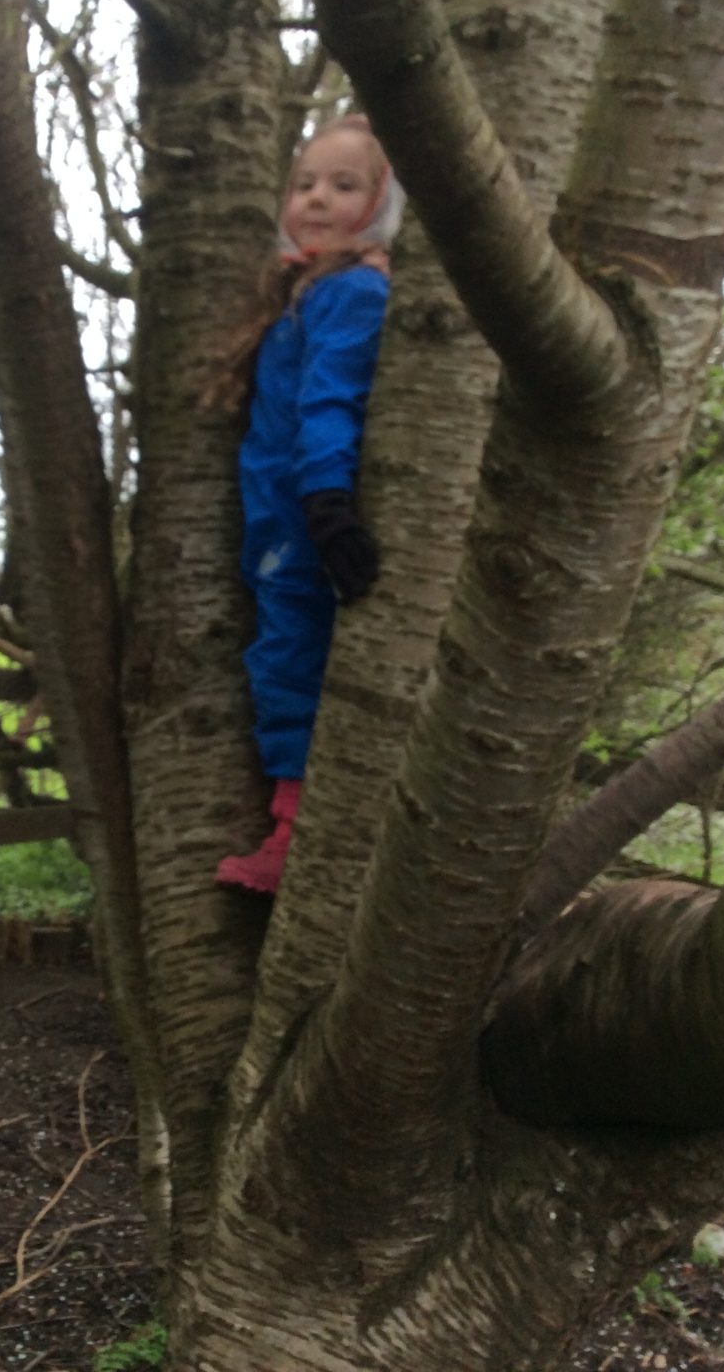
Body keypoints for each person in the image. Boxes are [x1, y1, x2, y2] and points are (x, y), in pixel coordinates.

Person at [213, 115, 405, 894]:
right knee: (287, 658)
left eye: (344, 184)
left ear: (381, 206)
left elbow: (331, 401)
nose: (318, 198)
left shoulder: (352, 291)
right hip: (280, 519)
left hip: (300, 524)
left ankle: (293, 834)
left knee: (288, 663)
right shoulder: (310, 292)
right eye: (304, 184)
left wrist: (325, 502)